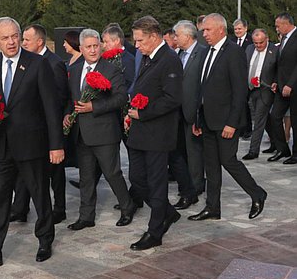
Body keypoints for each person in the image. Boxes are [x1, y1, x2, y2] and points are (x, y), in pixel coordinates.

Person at [0, 17, 64, 272]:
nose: (11, 42)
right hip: (0, 146)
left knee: (39, 194)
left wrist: (56, 145)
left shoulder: (38, 64)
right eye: (5, 38)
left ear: (20, 37)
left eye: (15, 36)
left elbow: (51, 108)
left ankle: (44, 240)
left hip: (32, 144)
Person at [189, 13, 267, 221]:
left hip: (225, 121)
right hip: (207, 120)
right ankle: (212, 208)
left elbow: (240, 90)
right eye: (203, 30)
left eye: (207, 30)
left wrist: (232, 122)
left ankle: (257, 193)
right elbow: (202, 87)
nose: (203, 33)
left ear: (221, 30)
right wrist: (198, 119)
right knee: (211, 165)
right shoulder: (207, 52)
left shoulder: (234, 52)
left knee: (228, 161)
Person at [64, 29, 135, 229]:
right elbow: (71, 98)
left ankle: (127, 207)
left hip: (104, 132)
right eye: (89, 47)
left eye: (96, 45)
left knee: (112, 173)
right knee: (86, 178)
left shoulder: (111, 69)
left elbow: (121, 98)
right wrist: (68, 114)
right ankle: (86, 216)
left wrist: (93, 107)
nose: (93, 50)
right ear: (81, 48)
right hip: (82, 134)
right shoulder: (75, 70)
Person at [127, 16, 183, 251]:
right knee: (137, 179)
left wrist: (144, 113)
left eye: (140, 40)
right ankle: (167, 213)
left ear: (153, 36)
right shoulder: (150, 58)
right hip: (141, 132)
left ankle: (155, 231)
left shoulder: (169, 59)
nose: (136, 45)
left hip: (158, 133)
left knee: (156, 183)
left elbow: (173, 99)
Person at [10, 24, 69, 225]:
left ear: (39, 42)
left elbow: (58, 99)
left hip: (48, 129)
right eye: (23, 39)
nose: (23, 43)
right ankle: (20, 208)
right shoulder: (25, 61)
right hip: (29, 132)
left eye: (27, 40)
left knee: (55, 173)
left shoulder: (53, 62)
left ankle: (59, 209)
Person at [172, 20, 208, 206]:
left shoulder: (202, 53)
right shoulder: (177, 54)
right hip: (177, 111)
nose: (174, 38)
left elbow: (203, 86)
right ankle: (185, 184)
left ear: (187, 35)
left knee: (194, 150)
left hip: (193, 111)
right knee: (180, 150)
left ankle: (196, 185)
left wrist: (198, 113)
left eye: (177, 35)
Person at [242, 29, 278, 160]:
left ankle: (253, 150)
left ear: (267, 38)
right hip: (251, 90)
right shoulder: (249, 49)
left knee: (258, 119)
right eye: (255, 43)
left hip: (266, 89)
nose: (258, 45)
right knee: (265, 118)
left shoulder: (274, 50)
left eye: (260, 43)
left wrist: (275, 82)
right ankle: (275, 143)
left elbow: (280, 69)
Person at [268, 12, 297, 164]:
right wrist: (275, 81)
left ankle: (296, 154)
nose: (277, 29)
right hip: (281, 87)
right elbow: (280, 64)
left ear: (286, 24)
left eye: (278, 26)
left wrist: (290, 84)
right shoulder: (283, 39)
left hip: (294, 87)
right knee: (274, 117)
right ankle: (282, 149)